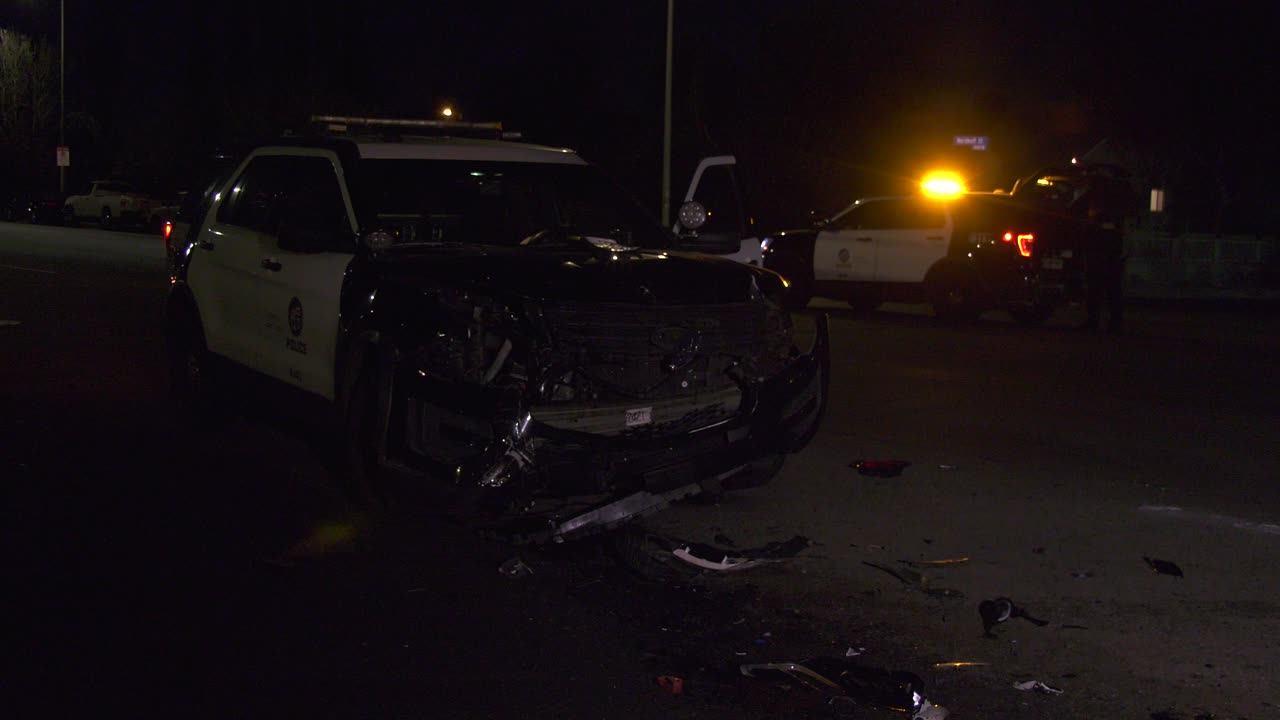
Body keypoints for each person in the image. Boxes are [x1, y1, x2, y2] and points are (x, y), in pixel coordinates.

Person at [1077, 173, 1133, 332]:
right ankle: (1111, 322)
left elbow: (1075, 209)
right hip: (1111, 251)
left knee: (1100, 287)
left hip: (1102, 251)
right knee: (1110, 288)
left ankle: (1099, 321)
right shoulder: (1116, 202)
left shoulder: (1096, 198)